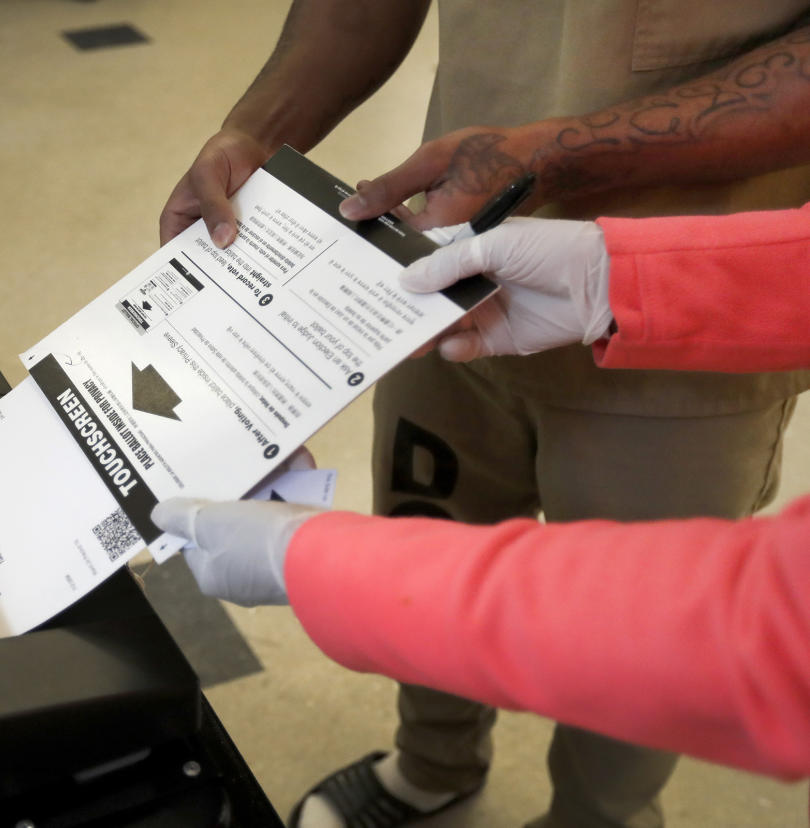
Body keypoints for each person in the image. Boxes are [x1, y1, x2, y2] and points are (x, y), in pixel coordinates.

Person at [160, 3, 810, 826]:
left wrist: (314, 564)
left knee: (640, 651)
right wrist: (621, 278)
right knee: (430, 511)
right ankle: (433, 763)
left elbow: (727, 626)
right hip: (450, 262)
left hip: (709, 299)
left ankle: (599, 817)